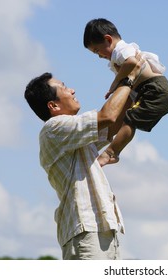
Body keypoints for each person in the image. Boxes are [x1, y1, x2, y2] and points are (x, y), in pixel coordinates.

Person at [24, 59, 142, 259]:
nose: (72, 90)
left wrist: (134, 89)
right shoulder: (54, 128)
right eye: (64, 87)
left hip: (100, 229)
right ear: (53, 105)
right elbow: (108, 116)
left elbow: (111, 127)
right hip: (85, 232)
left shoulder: (71, 135)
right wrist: (127, 79)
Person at [83, 18, 168, 165]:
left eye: (97, 51)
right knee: (121, 116)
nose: (99, 56)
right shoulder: (117, 56)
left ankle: (111, 153)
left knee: (130, 120)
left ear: (108, 39)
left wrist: (114, 84)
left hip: (156, 91)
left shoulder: (121, 50)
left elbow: (132, 62)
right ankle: (97, 143)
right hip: (144, 91)